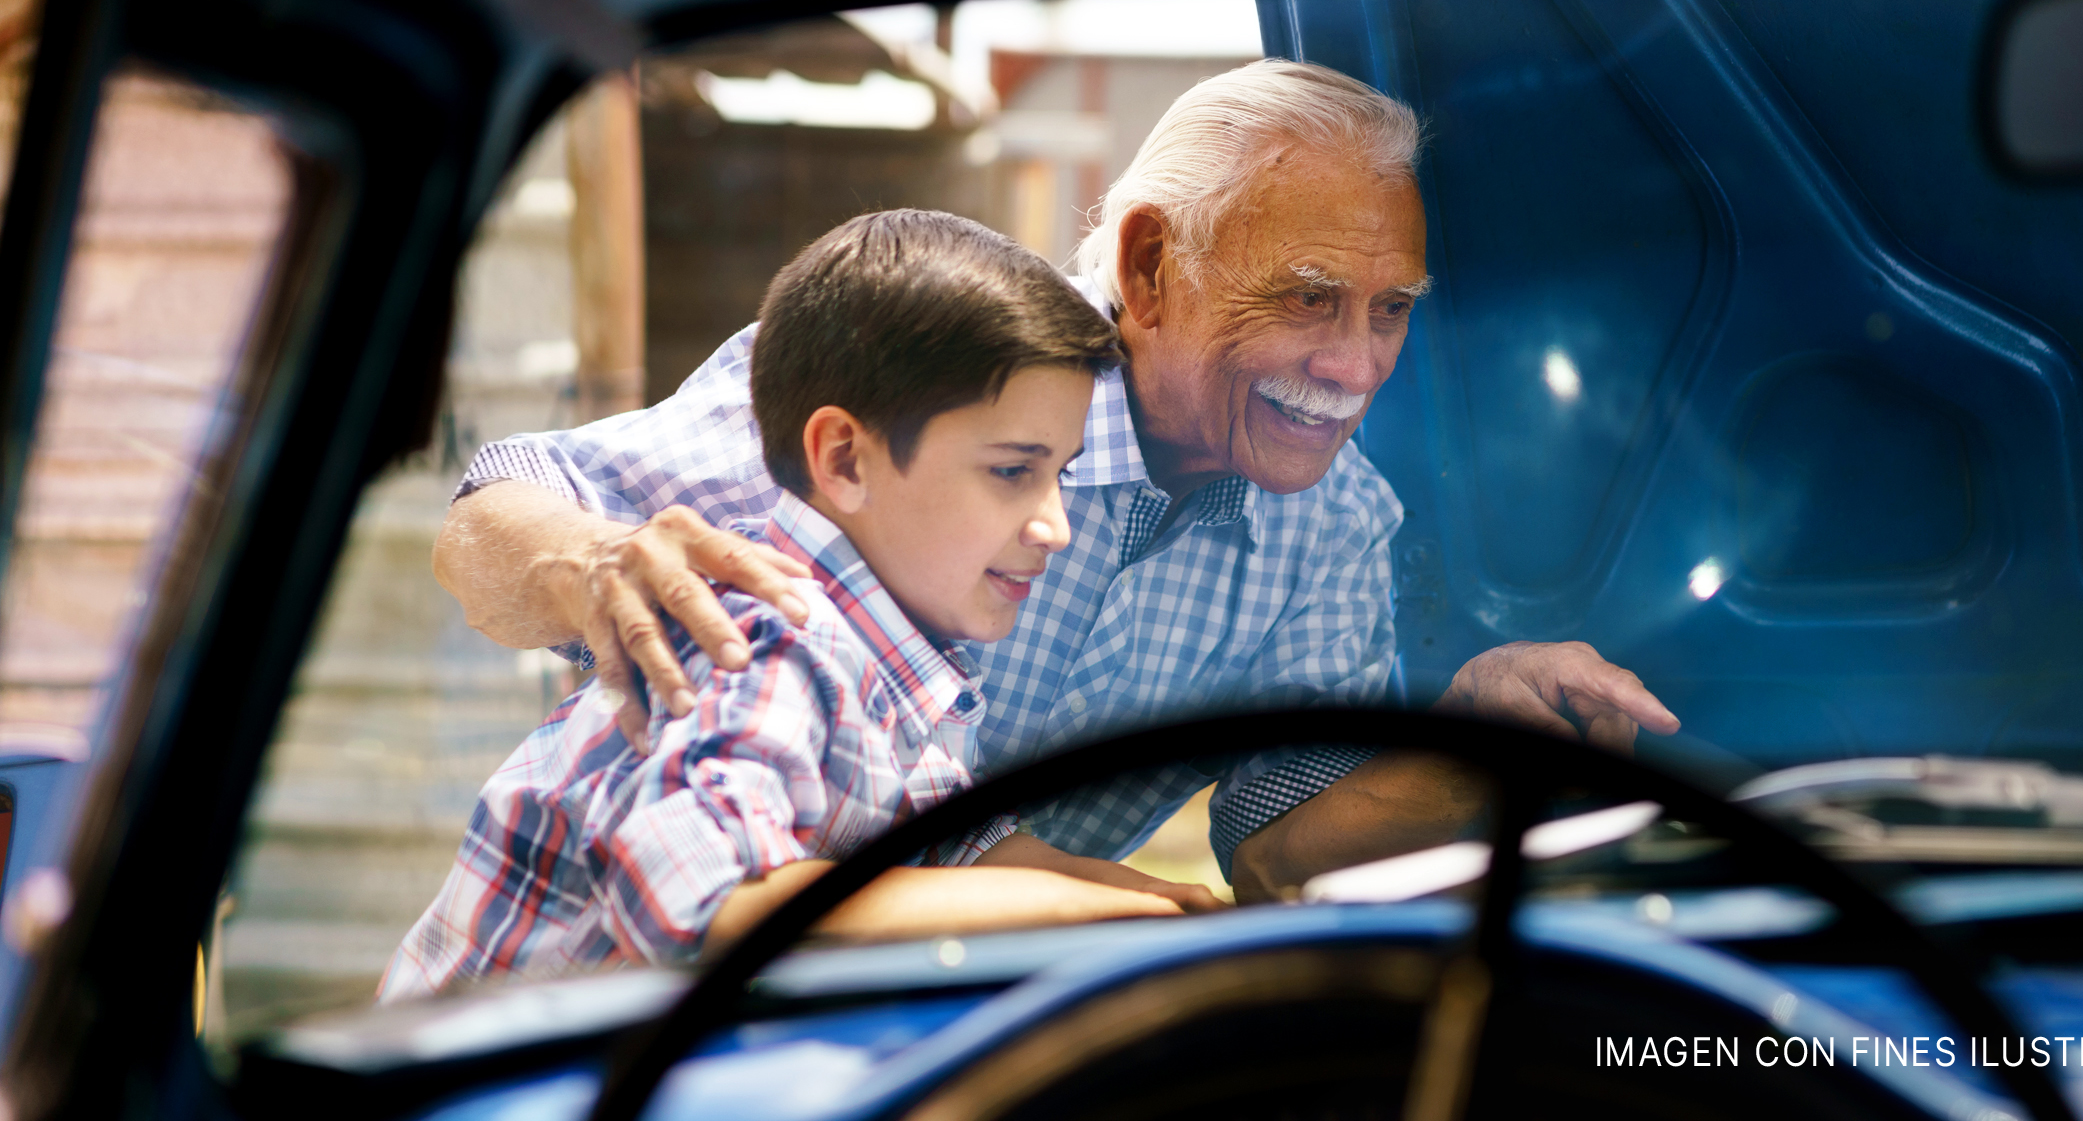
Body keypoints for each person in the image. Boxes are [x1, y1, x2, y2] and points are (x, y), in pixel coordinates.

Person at [433, 59, 1681, 907]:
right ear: (1148, 268)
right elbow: (493, 513)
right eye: (1309, 298)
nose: (1356, 367)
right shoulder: (922, 368)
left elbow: (1275, 840)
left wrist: (1470, 747)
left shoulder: (1342, 527)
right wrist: (597, 569)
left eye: (1390, 311)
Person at [382, 211, 1218, 1000]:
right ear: (844, 459)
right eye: (1011, 471)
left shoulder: (903, 677)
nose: (1056, 527)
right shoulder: (767, 639)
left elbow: (965, 859)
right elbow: (712, 904)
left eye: (1060, 475)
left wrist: (1173, 908)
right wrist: (1085, 918)